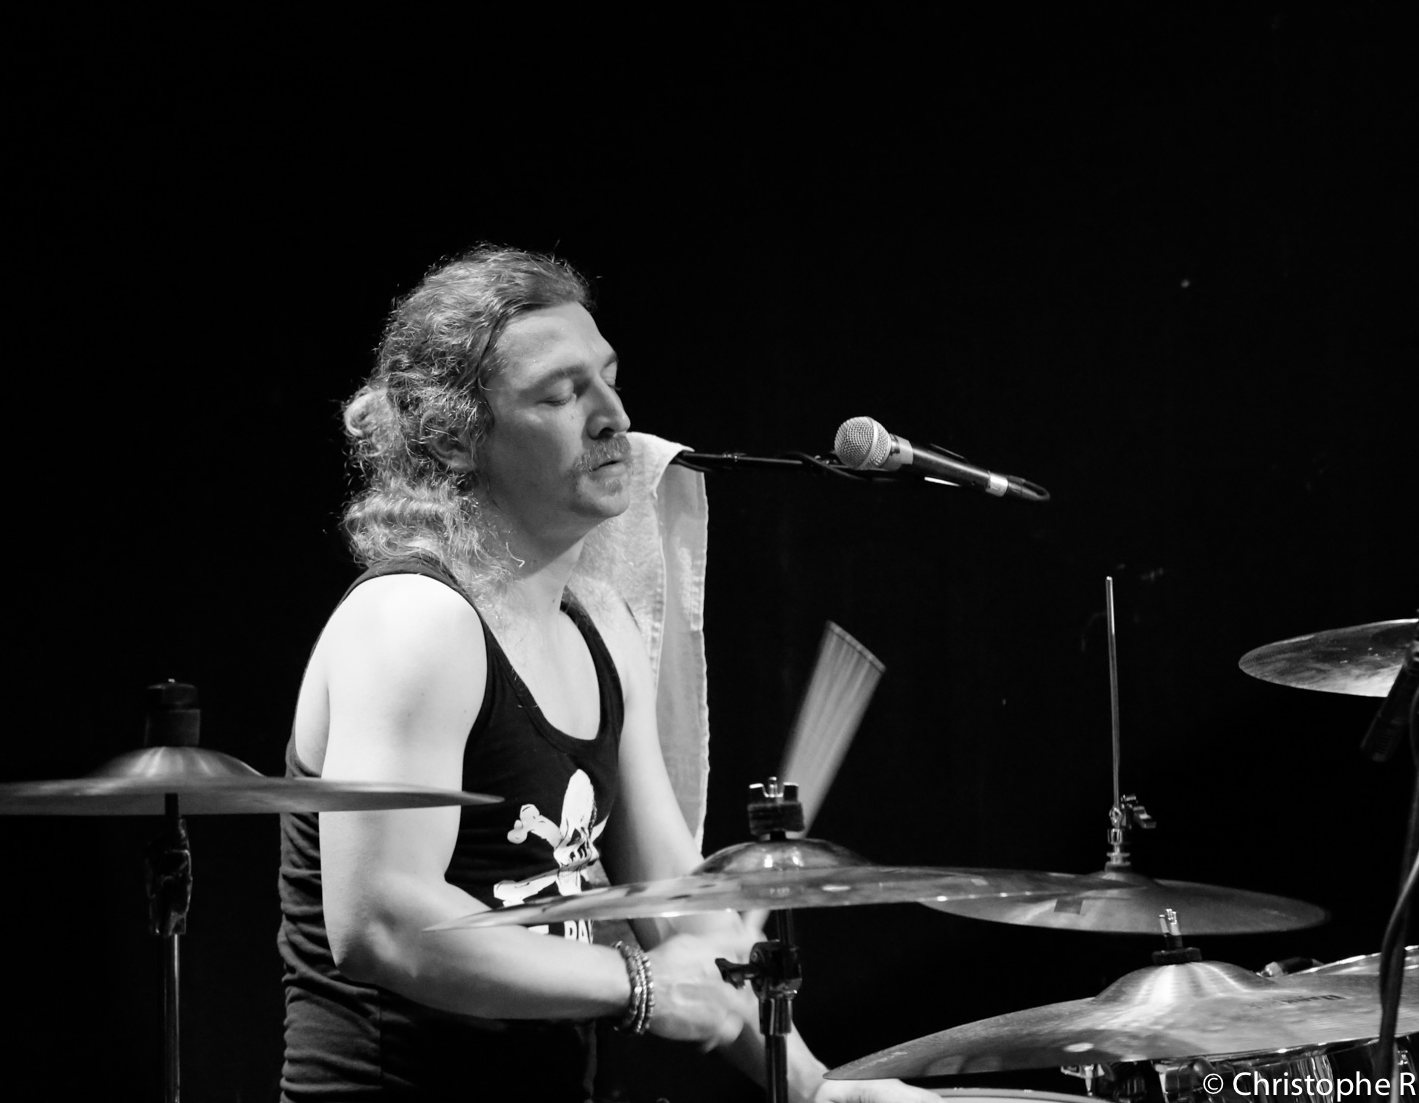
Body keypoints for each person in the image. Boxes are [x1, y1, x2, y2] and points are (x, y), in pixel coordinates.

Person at [278, 246, 933, 1102]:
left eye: (610, 380)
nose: (613, 417)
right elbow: (383, 923)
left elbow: (670, 905)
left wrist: (814, 1087)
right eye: (560, 395)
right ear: (454, 438)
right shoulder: (415, 621)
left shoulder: (601, 626)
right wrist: (643, 985)